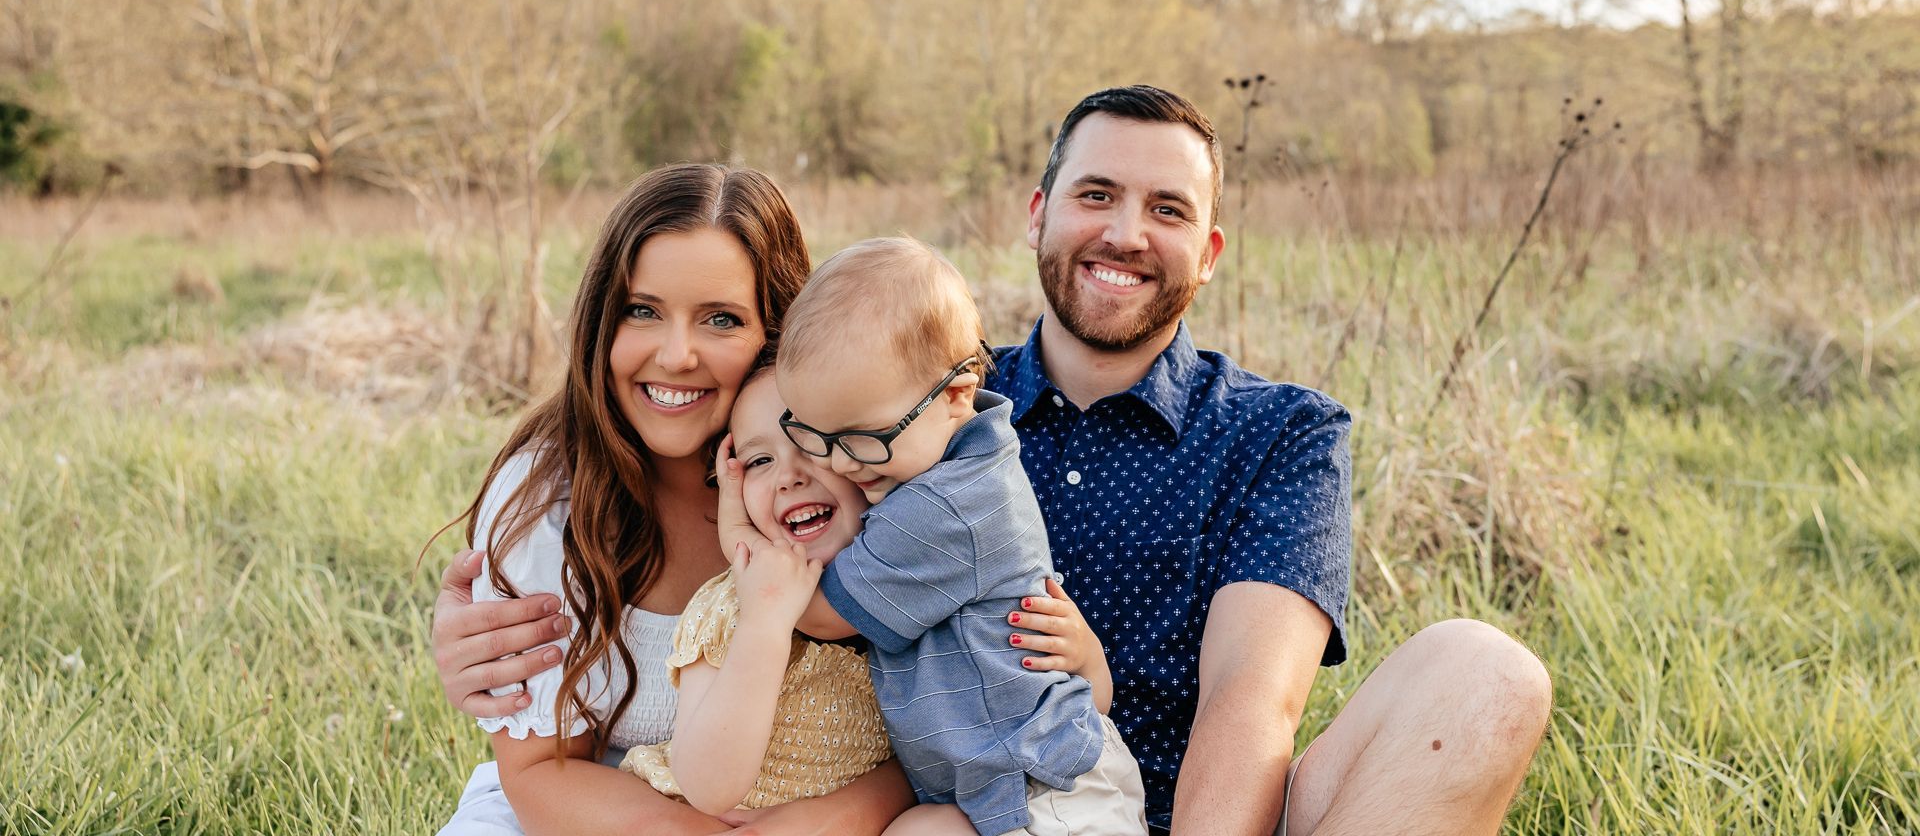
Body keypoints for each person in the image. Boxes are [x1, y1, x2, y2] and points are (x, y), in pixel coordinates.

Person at [434, 88, 1553, 836]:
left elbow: (1252, 708)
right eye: (1096, 194)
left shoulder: (1277, 431)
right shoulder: (909, 410)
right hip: (964, 808)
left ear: (1207, 251)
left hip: (1199, 810)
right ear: (1038, 215)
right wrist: (482, 623)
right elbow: (763, 543)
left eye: (1169, 208)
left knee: (1485, 672)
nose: (1125, 232)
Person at [434, 163, 913, 836]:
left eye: (721, 319)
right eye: (643, 311)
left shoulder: (843, 472)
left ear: (779, 332)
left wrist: (821, 823)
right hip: (597, 806)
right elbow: (542, 771)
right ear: (603, 321)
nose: (678, 354)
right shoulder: (547, 502)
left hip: (818, 808)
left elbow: (930, 725)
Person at [750, 236, 1147, 836]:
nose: (839, 465)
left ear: (958, 393)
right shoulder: (946, 457)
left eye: (862, 438)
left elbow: (818, 614)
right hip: (1010, 777)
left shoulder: (945, 509)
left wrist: (737, 527)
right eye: (818, 436)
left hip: (1047, 791)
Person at [618, 365, 893, 814]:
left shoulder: (907, 589)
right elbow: (707, 787)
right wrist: (764, 622)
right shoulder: (729, 606)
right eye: (759, 461)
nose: (788, 477)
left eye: (811, 443)